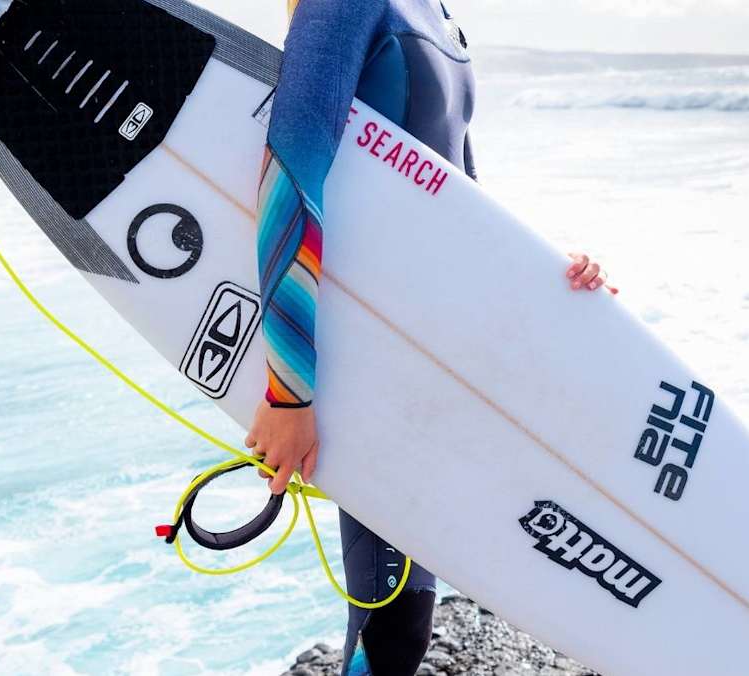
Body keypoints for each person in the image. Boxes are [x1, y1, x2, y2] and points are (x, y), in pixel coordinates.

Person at [242, 1, 617, 673]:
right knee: (393, 618)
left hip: (437, 354)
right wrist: (289, 394)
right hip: (372, 353)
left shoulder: (440, 16)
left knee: (413, 601)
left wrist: (549, 273)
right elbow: (290, 175)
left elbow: (460, 202)